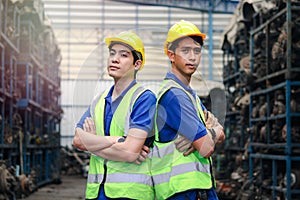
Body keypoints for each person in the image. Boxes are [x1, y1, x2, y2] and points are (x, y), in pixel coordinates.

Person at [73, 31, 156, 200]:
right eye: (112, 54)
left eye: (123, 55)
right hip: (97, 192)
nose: (114, 59)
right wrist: (115, 140)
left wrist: (94, 141)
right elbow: (78, 140)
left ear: (137, 64)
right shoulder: (99, 100)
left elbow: (130, 151)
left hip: (130, 194)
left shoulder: (143, 98)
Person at [151, 20, 226, 200]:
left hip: (196, 189)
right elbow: (207, 148)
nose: (192, 57)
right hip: (183, 192)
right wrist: (209, 134)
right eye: (185, 51)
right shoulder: (175, 96)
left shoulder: (190, 95)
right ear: (171, 55)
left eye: (197, 51)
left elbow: (220, 134)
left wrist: (210, 132)